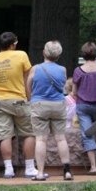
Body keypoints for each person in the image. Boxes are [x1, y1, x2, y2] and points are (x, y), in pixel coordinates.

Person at [0, 31, 38, 178]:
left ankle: (8, 168)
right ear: (12, 45)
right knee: (28, 133)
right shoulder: (21, 55)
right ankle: (29, 167)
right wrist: (29, 98)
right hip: (18, 99)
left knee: (5, 135)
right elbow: (28, 77)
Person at [29, 41, 73, 181]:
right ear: (59, 55)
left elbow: (28, 84)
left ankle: (40, 172)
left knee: (41, 139)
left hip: (40, 104)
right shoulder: (63, 70)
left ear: (44, 52)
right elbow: (63, 85)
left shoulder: (36, 68)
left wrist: (32, 98)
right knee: (60, 138)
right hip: (58, 104)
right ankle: (67, 171)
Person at [72, 41, 96, 175]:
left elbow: (74, 92)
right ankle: (93, 124)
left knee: (87, 135)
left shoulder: (78, 71)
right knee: (90, 127)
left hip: (83, 104)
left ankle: (93, 167)